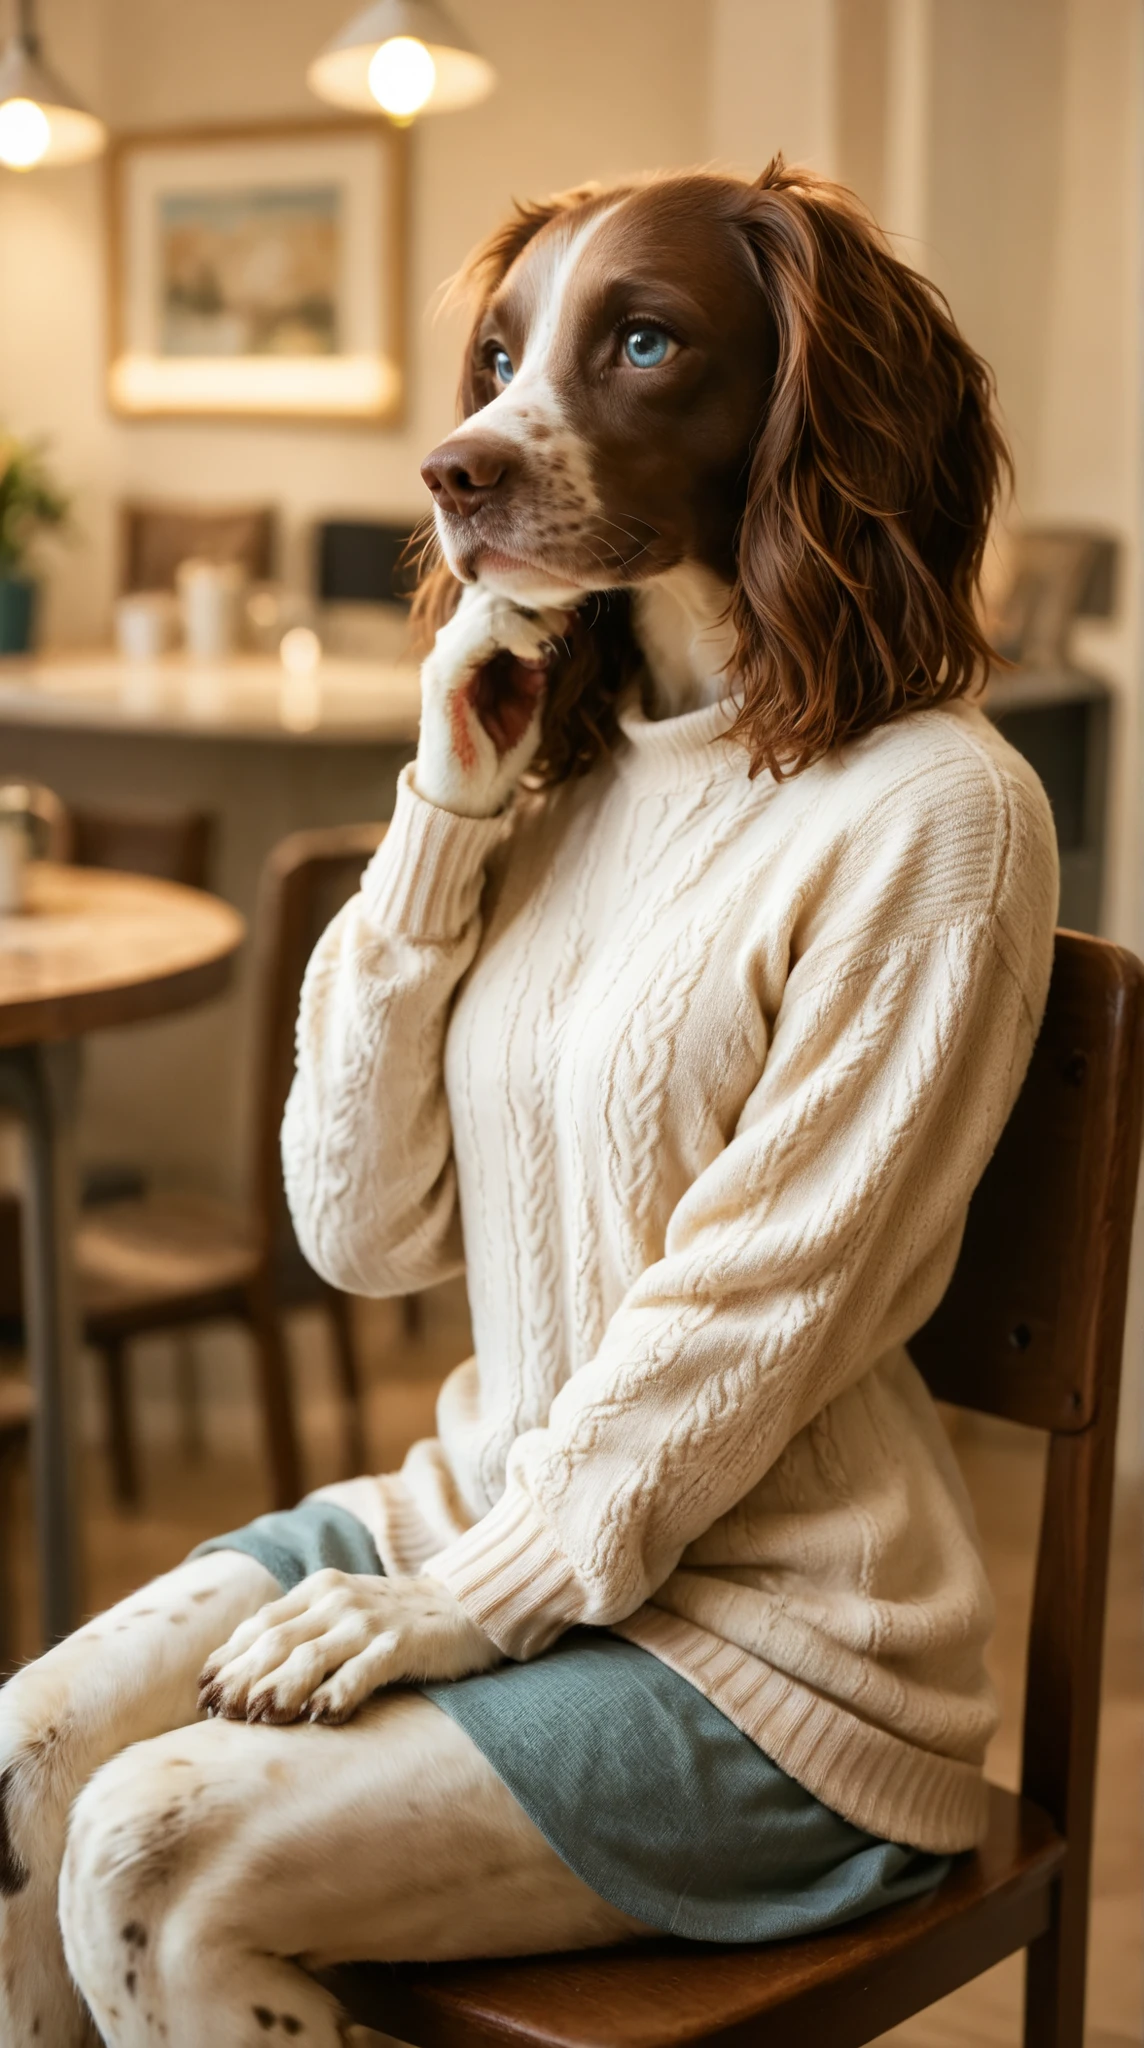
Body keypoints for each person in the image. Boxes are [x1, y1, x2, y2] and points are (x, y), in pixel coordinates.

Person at [0, 162, 1058, 2048]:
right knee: (24, 1766)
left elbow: (760, 1307)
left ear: (813, 414)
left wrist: (477, 1604)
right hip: (495, 1514)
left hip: (783, 1661)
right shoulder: (554, 782)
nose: (487, 432)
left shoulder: (936, 817)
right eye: (502, 359)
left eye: (637, 345)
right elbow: (363, 1227)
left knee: (157, 1856)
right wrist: (446, 811)